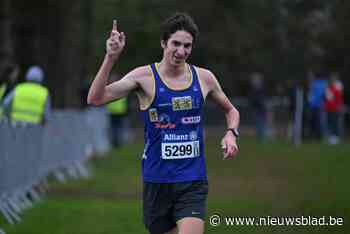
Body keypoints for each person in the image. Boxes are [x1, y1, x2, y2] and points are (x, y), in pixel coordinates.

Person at [87, 13, 239, 234]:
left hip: (192, 180)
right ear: (163, 43)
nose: (181, 51)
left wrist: (231, 133)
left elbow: (231, 110)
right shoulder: (143, 77)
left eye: (187, 46)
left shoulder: (204, 78)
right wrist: (110, 58)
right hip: (157, 181)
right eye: (176, 44)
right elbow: (95, 98)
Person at [325, 72, 344, 144]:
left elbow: (338, 98)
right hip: (329, 108)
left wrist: (339, 106)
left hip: (335, 108)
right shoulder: (329, 88)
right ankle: (331, 137)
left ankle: (335, 138)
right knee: (330, 123)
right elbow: (327, 98)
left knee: (335, 123)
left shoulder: (336, 88)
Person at [249, 72, 268, 140]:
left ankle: (261, 135)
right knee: (259, 123)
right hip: (258, 109)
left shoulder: (259, 90)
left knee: (261, 122)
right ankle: (260, 136)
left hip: (261, 109)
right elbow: (255, 100)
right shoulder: (255, 90)